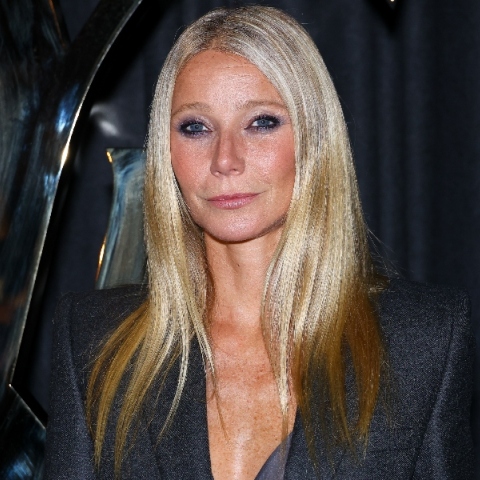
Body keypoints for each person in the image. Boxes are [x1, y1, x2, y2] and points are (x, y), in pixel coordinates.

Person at [45, 6, 474, 479]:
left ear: (313, 138)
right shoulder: (95, 343)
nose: (225, 159)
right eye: (195, 127)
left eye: (261, 123)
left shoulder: (421, 343)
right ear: (166, 150)